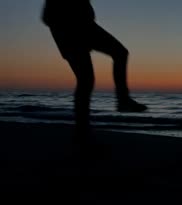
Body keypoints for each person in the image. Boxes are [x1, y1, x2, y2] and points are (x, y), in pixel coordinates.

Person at [42, 0, 147, 134]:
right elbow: (47, 17)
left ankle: (85, 124)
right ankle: (84, 125)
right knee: (88, 78)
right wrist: (71, 25)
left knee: (89, 77)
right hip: (75, 30)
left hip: (83, 28)